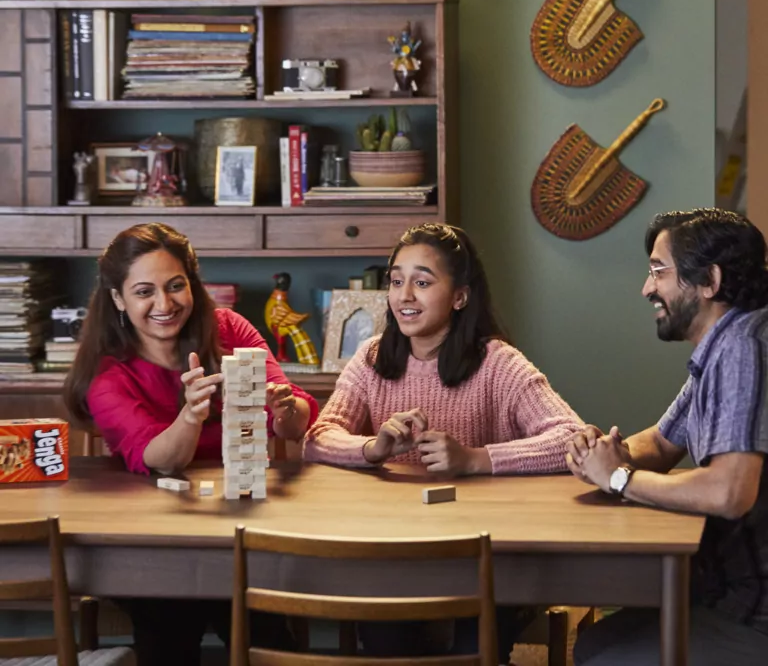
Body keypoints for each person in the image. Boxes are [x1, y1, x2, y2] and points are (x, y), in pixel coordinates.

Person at [303, 222, 584, 661]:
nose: (404, 296)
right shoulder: (372, 357)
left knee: (476, 650)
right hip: (394, 555)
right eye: (396, 281)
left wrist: (475, 459)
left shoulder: (497, 363)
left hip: (486, 558)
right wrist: (371, 449)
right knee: (387, 646)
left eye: (422, 282)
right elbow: (318, 438)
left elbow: (573, 438)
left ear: (460, 296)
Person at [64, 222, 320, 666]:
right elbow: (158, 459)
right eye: (144, 291)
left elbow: (295, 421)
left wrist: (285, 409)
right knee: (174, 610)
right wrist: (190, 415)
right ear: (118, 299)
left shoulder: (229, 329)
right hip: (151, 538)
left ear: (193, 285)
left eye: (175, 285)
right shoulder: (108, 375)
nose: (164, 304)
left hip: (241, 524)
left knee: (255, 610)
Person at [567, 208, 768, 666]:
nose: (646, 288)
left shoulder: (743, 348)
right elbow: (660, 443)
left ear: (709, 281)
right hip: (723, 589)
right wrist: (604, 455)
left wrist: (617, 478)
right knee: (595, 644)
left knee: (601, 658)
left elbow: (729, 491)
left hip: (754, 613)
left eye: (659, 271)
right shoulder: (720, 347)